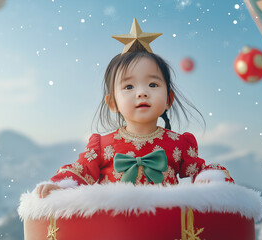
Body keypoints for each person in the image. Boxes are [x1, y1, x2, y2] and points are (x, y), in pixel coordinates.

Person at [37, 19, 233, 198]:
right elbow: (81, 171)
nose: (142, 93)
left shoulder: (178, 145)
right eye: (129, 87)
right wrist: (61, 186)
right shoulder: (102, 146)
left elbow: (200, 171)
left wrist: (209, 178)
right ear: (112, 103)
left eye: (153, 85)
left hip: (165, 227)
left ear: (168, 99)